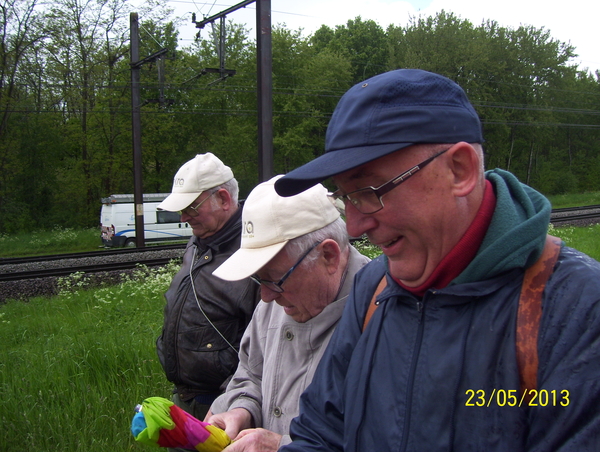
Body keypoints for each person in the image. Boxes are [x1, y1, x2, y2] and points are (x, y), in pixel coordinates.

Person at [274, 69, 600, 451]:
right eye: (345, 197)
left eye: (368, 191)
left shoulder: (579, 310)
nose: (356, 226)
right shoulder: (373, 289)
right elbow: (321, 435)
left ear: (459, 170)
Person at [204, 175, 370, 451]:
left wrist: (282, 446)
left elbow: (390, 435)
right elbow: (250, 374)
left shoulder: (383, 314)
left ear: (328, 256)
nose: (266, 296)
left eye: (275, 279)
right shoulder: (276, 301)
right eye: (259, 279)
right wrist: (241, 410)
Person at [155, 153, 260, 449]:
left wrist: (233, 401)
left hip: (226, 410)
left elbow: (264, 346)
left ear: (224, 199)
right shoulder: (198, 242)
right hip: (187, 400)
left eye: (190, 207)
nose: (183, 217)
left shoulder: (253, 254)